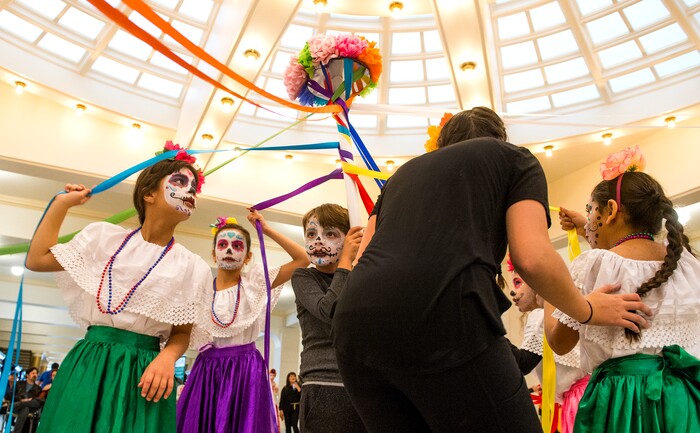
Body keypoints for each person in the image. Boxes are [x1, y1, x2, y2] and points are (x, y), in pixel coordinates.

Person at [331, 107, 653, 433]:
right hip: (447, 314)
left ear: (442, 143)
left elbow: (363, 259)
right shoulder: (514, 159)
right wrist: (586, 309)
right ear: (500, 138)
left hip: (354, 329)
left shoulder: (400, 177)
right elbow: (532, 259)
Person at [25, 142, 212, 433]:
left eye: (193, 186)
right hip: (89, 365)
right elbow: (37, 259)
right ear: (148, 193)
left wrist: (167, 358)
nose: (189, 191)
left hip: (147, 373)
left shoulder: (193, 267)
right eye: (179, 181)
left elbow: (181, 334)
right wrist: (61, 205)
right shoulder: (103, 238)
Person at [545, 147, 700, 433]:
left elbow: (559, 342)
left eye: (591, 211)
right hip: (682, 399)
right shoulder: (687, 263)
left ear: (612, 210)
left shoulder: (592, 264)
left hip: (621, 402)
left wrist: (548, 292)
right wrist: (588, 226)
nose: (588, 221)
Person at [177, 211, 309, 433]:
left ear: (247, 257)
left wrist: (266, 230)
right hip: (208, 372)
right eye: (223, 244)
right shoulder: (200, 290)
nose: (229, 250)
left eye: (237, 246)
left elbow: (303, 260)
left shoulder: (254, 285)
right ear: (214, 253)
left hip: (245, 370)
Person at [291, 203, 365, 433]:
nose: (318, 241)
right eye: (312, 234)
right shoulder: (303, 276)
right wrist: (345, 262)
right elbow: (329, 311)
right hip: (324, 382)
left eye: (330, 234)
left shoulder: (359, 278)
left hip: (360, 384)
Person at [509, 259, 588, 433]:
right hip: (584, 395)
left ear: (536, 283)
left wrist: (493, 334)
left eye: (518, 283)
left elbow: (522, 364)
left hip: (578, 400)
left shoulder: (539, 315)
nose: (512, 293)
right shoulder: (557, 314)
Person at [12, 367, 43, 433]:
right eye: (33, 373)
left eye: (36, 373)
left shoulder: (38, 388)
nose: (35, 375)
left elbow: (39, 401)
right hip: (17, 405)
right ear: (27, 375)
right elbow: (10, 395)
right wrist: (21, 399)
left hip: (29, 407)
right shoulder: (18, 384)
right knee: (25, 408)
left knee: (36, 403)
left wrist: (30, 399)